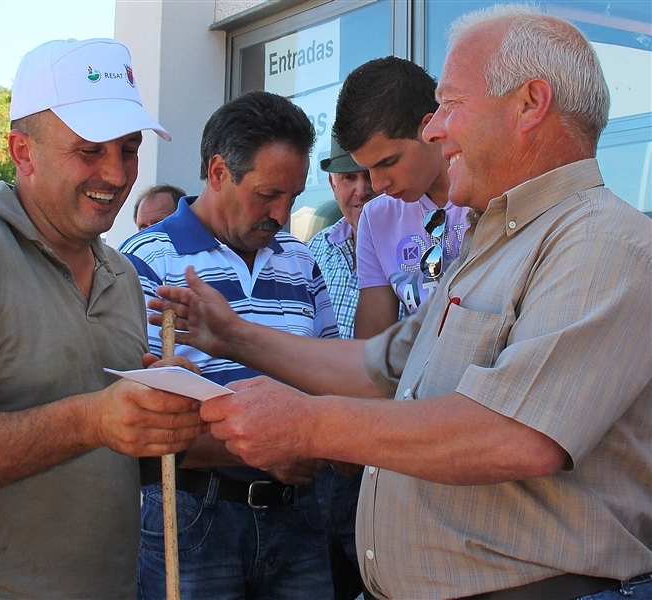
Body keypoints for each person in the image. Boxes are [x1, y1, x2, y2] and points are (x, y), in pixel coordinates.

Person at [149, 6, 652, 599]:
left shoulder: (602, 241)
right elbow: (380, 368)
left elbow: (514, 436)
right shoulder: (494, 246)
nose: (434, 129)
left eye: (451, 103)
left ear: (530, 104)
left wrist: (308, 425)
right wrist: (233, 335)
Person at [0, 38, 204, 600]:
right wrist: (92, 420)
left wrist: (162, 417)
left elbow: (109, 458)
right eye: (90, 150)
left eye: (129, 148)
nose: (116, 174)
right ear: (22, 151)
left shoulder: (122, 275)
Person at [119, 90, 337, 600]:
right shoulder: (147, 261)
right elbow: (133, 423)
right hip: (195, 518)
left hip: (301, 513)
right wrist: (268, 448)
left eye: (293, 196)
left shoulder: (302, 264)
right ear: (218, 173)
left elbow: (334, 374)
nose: (281, 214)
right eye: (267, 194)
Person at [333, 57, 470, 338]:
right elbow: (369, 354)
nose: (378, 184)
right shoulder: (377, 217)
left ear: (430, 130)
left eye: (388, 162)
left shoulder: (490, 198)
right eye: (367, 168)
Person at [307, 136, 376, 600]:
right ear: (332, 183)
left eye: (370, 174)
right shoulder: (309, 254)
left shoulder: (425, 245)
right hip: (323, 457)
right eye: (348, 177)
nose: (362, 190)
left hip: (389, 454)